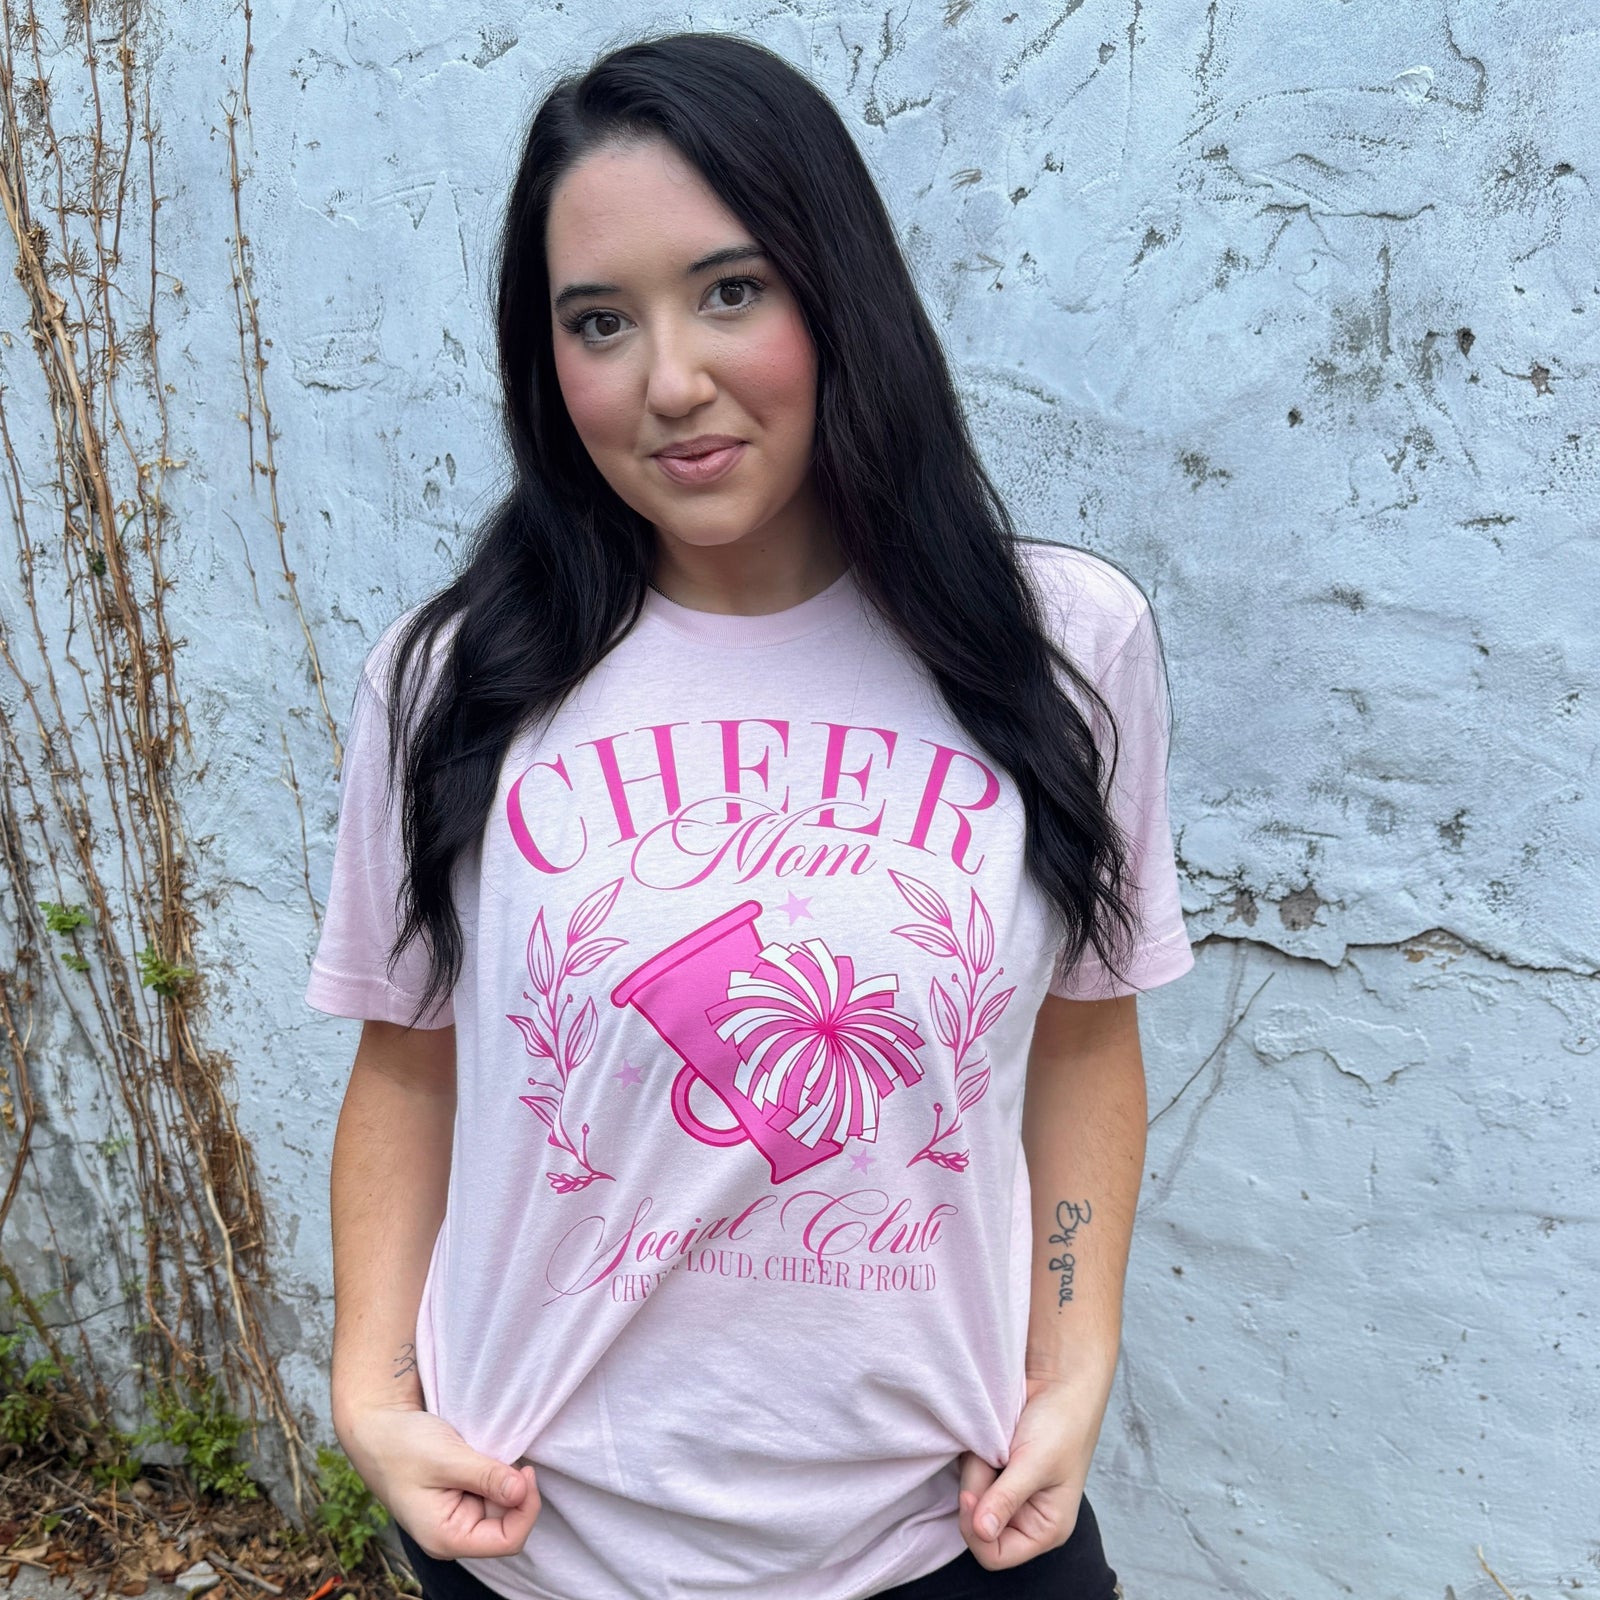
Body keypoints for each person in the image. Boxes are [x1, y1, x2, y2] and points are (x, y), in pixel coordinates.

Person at [307, 31, 1193, 1600]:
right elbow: (408, 1053)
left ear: (837, 291)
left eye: (732, 290)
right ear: (545, 358)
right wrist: (371, 1394)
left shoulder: (1062, 651)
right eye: (599, 321)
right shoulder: (451, 680)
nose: (670, 382)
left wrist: (1075, 1363)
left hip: (951, 1537)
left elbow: (1081, 1030)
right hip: (546, 1541)